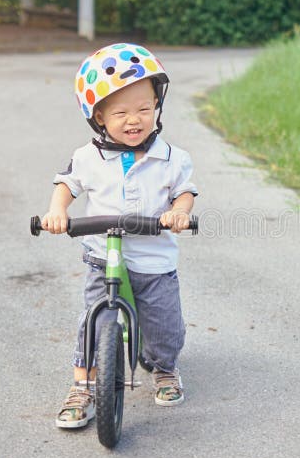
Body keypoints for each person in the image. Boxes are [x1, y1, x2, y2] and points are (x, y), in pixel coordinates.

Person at [40, 43, 197, 428]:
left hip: (153, 259)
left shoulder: (171, 157)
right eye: (121, 112)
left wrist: (178, 212)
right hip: (101, 255)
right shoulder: (88, 157)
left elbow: (185, 190)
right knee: (93, 318)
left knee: (163, 324)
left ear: (157, 108)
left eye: (144, 109)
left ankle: (163, 368)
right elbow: (67, 184)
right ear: (98, 117)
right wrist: (58, 211)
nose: (134, 120)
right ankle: (83, 384)